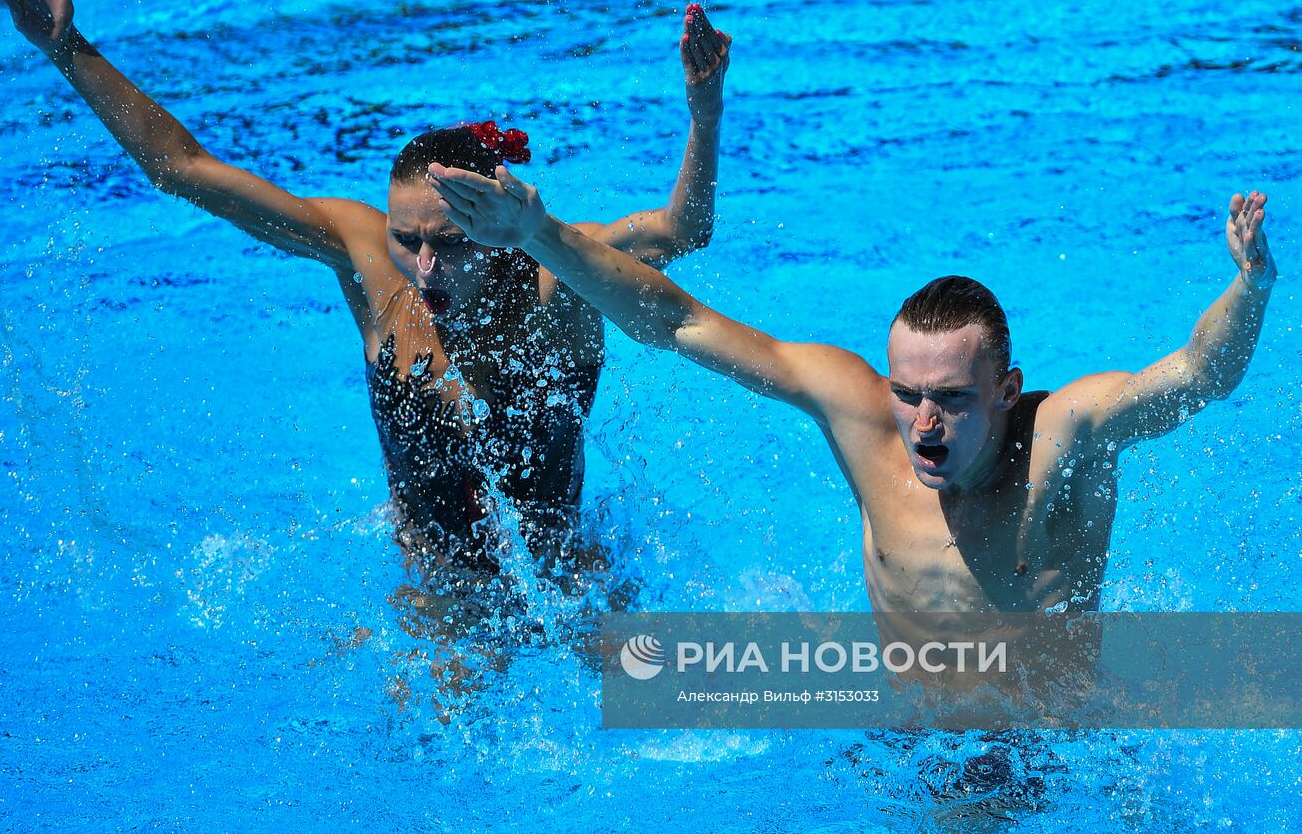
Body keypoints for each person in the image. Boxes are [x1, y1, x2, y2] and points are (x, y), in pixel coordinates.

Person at [0, 0, 732, 592]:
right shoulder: (372, 263)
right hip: (437, 602)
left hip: (566, 581)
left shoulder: (558, 277)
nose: (425, 266)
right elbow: (184, 170)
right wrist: (66, 48)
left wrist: (704, 114)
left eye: (454, 242)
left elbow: (681, 230)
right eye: (407, 238)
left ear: (499, 229)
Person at [427, 164, 1278, 626]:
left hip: (1050, 754)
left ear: (1007, 389)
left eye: (952, 396)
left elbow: (1201, 374)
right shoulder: (862, 415)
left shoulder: (1068, 432)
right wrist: (540, 234)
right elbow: (675, 320)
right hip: (902, 746)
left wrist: (1251, 288)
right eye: (908, 392)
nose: (924, 421)